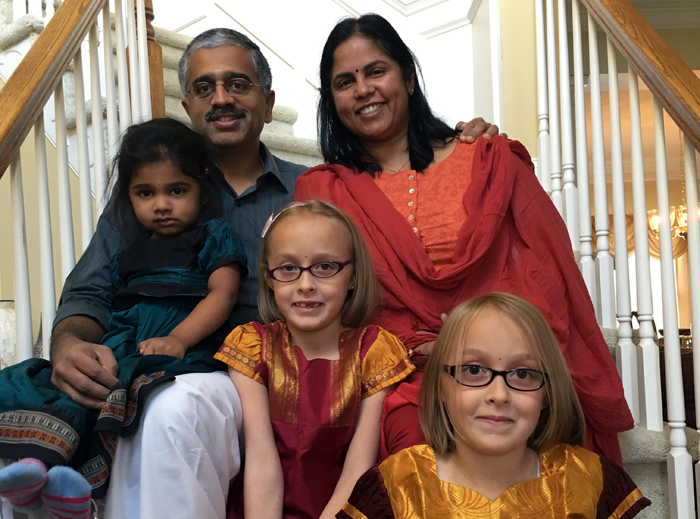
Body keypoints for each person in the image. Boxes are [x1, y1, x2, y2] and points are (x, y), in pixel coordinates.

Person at [30, 26, 497, 518]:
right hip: (174, 362)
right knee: (136, 402)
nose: (222, 99)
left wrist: (455, 144)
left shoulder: (318, 188)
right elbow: (88, 291)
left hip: (278, 373)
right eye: (204, 88)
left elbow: (397, 230)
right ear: (186, 108)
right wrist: (69, 344)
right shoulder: (154, 194)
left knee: (171, 408)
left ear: (269, 103)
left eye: (238, 84)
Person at [295, 13, 633, 465]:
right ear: (332, 100)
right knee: (413, 440)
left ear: (408, 78)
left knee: (532, 424)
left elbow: (546, 278)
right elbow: (331, 304)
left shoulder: (490, 160)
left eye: (376, 71)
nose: (362, 90)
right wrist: (418, 351)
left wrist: (470, 346)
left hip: (505, 358)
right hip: (400, 371)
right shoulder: (324, 190)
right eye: (344, 81)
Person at [0, 118, 247, 516]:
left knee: (131, 398)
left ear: (202, 193)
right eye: (145, 193)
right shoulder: (126, 251)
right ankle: (43, 471)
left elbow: (224, 293)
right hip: (125, 341)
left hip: (179, 345)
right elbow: (100, 299)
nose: (161, 204)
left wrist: (180, 339)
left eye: (177, 190)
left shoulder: (213, 235)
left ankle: (79, 487)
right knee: (54, 386)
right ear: (129, 197)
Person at [338, 293, 651, 518]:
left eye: (523, 373)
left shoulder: (588, 480)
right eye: (474, 370)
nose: (498, 395)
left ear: (548, 393)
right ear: (441, 387)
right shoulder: (399, 484)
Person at [215, 200, 414, 519]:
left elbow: (357, 471)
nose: (306, 285)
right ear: (268, 277)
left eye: (325, 267)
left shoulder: (375, 353)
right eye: (288, 268)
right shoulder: (253, 346)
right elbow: (261, 462)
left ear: (352, 276)